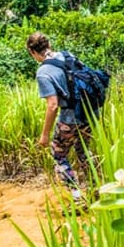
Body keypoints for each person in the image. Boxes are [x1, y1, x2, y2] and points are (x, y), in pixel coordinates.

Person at [27, 31, 92, 201]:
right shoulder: (68, 56)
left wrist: (45, 134)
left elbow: (53, 105)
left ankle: (77, 198)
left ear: (33, 52)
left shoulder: (43, 72)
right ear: (49, 45)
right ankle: (96, 190)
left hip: (69, 119)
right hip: (88, 114)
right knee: (83, 150)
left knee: (59, 155)